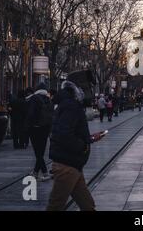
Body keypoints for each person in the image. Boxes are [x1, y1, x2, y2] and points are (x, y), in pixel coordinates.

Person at [47, 81, 105, 211]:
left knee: (87, 205)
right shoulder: (71, 106)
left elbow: (69, 132)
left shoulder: (68, 105)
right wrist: (83, 147)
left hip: (73, 165)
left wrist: (89, 139)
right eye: (85, 89)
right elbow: (64, 135)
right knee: (55, 206)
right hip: (67, 166)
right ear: (77, 90)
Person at [25, 83, 54, 181]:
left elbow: (31, 114)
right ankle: (35, 172)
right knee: (40, 151)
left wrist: (29, 125)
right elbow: (51, 116)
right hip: (45, 128)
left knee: (38, 152)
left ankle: (45, 173)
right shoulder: (48, 100)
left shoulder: (34, 98)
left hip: (35, 128)